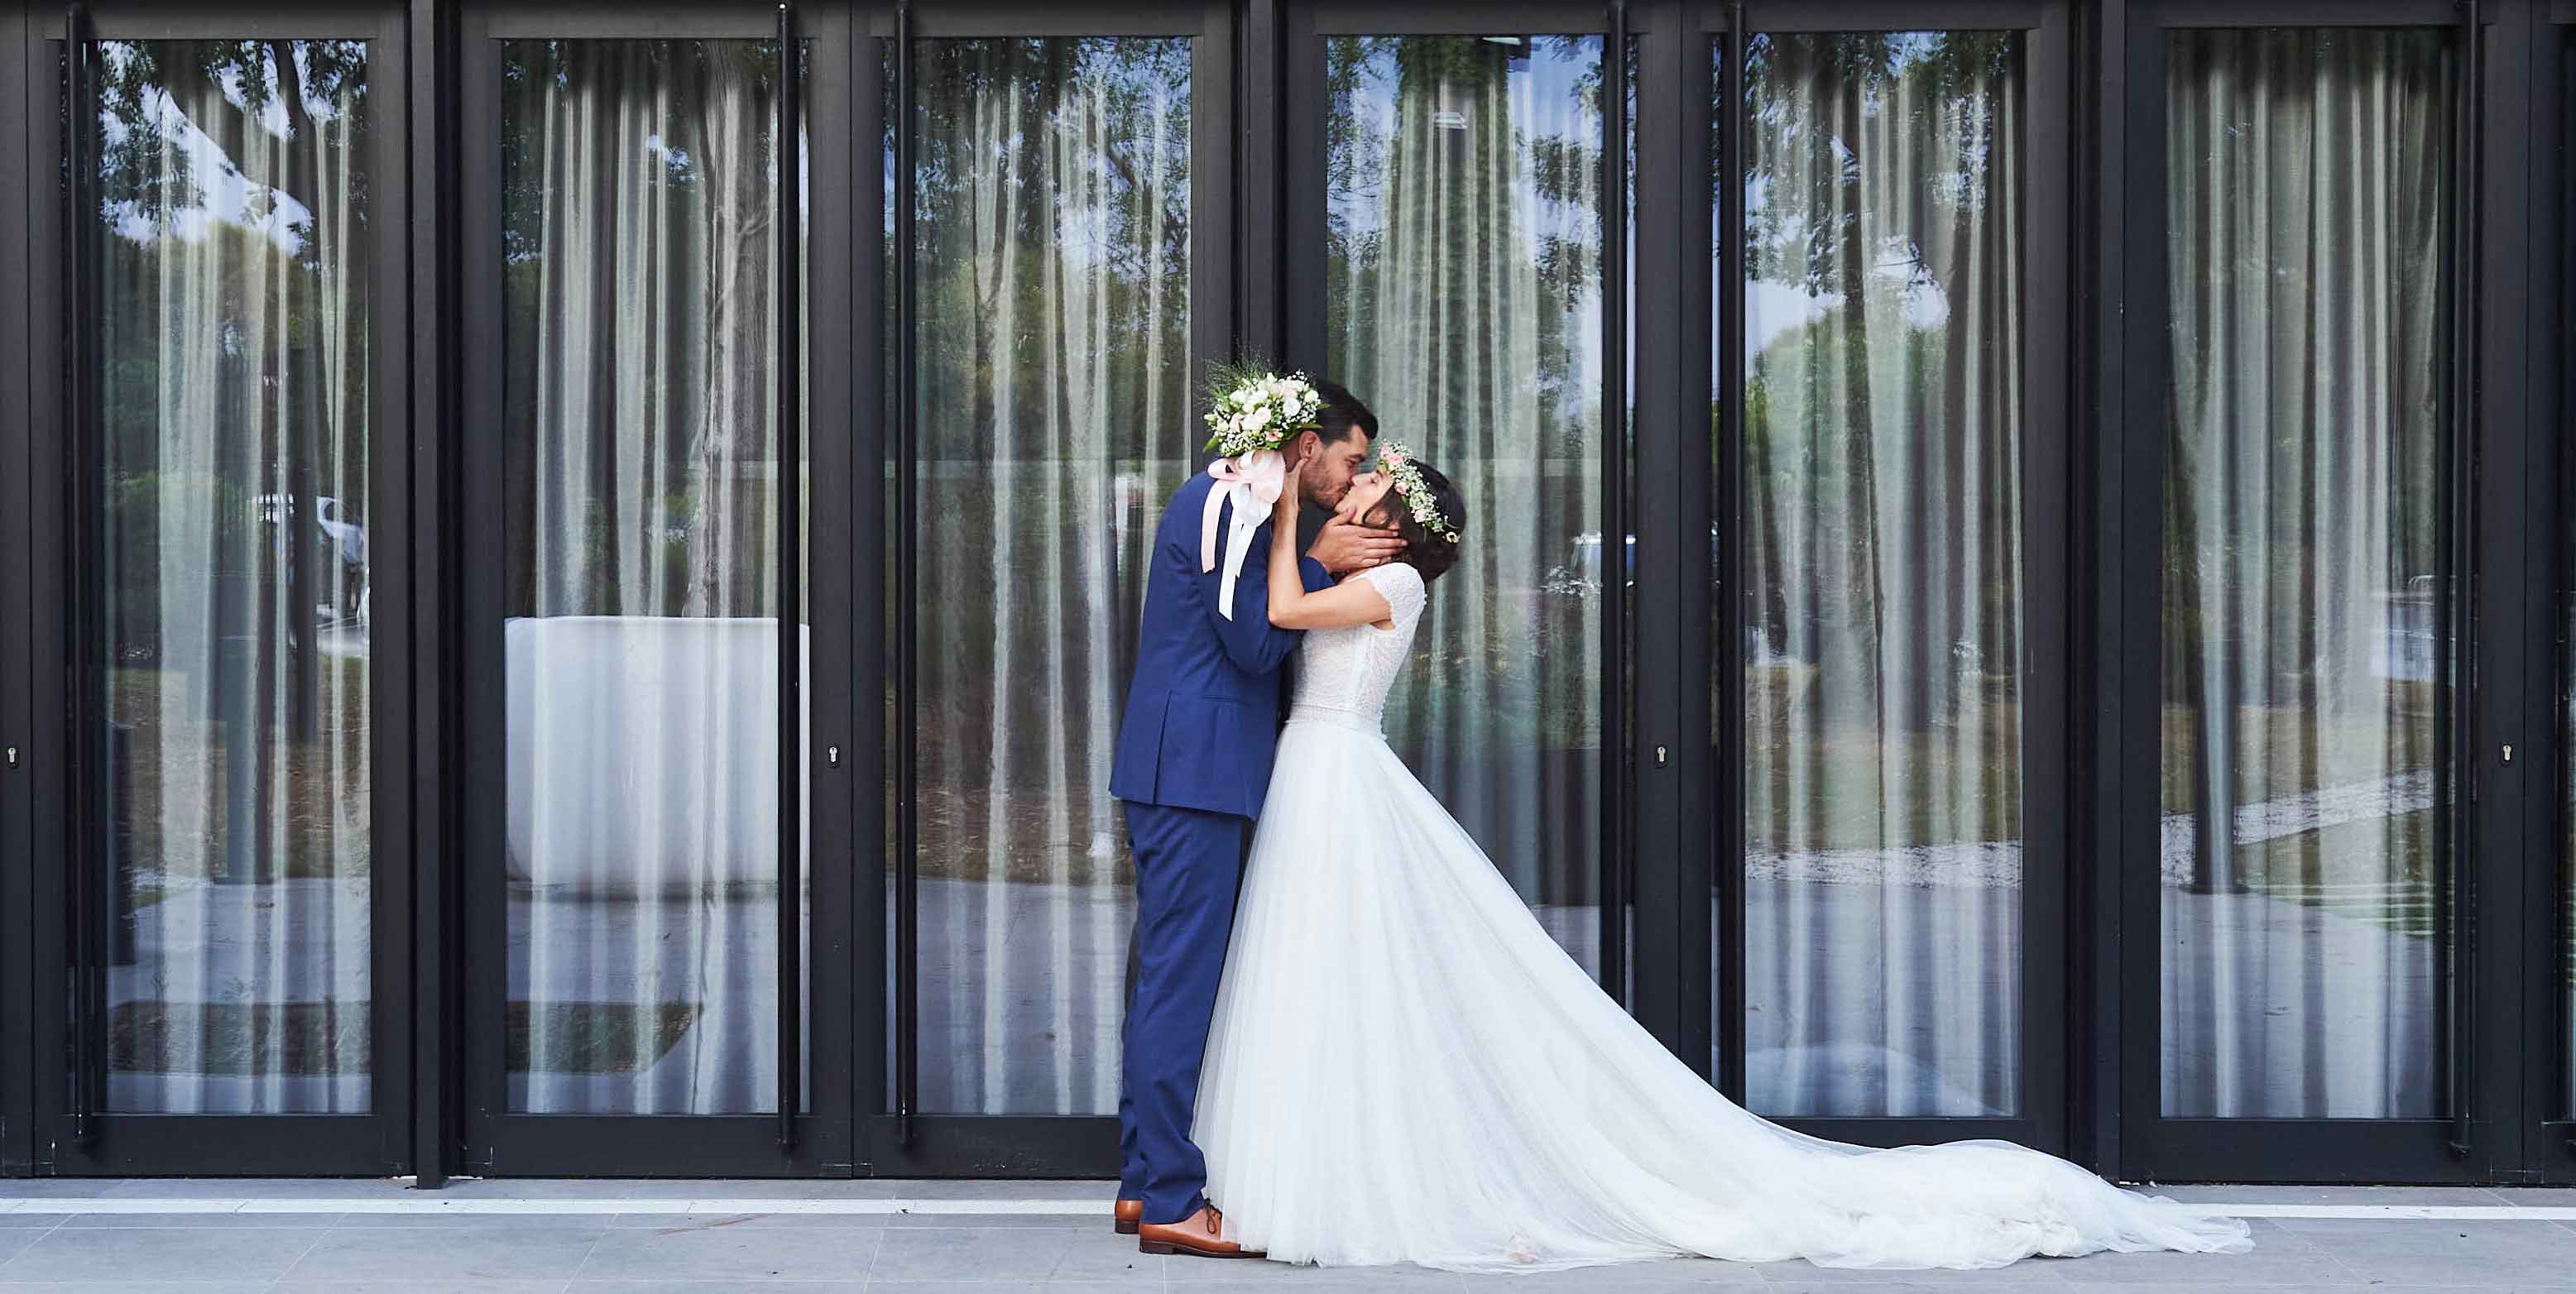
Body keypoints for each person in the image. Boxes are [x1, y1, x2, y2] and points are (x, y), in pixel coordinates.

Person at [1176, 444, 2257, 1273]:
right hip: (1315, 773)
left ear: (1397, 523)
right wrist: (1302, 525)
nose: (1350, 487)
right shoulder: (1364, 562)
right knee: (1313, 968)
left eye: (1370, 487)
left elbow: (1277, 609)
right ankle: (1295, 1165)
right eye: (1351, 481)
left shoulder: (1394, 585)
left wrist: (1282, 519)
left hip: (1337, 772)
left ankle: (1333, 1175)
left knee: (1340, 960)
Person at [1106, 379, 1403, 1258]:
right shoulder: (1228, 500)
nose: (1353, 477)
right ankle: (1167, 1194)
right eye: (1350, 459)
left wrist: (1310, 548)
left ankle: (1141, 1182)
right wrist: (1321, 559)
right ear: (1308, 444)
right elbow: (1251, 639)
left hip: (1192, 767)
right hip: (1192, 770)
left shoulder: (1246, 500)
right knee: (1179, 983)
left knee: (1163, 976)